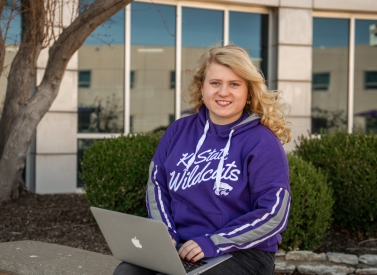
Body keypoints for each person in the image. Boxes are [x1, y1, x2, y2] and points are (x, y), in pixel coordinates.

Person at [113, 44, 291, 275]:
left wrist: (213, 243)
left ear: (248, 90)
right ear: (202, 87)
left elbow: (274, 213)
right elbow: (157, 185)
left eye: (234, 84)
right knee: (126, 273)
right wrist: (164, 233)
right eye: (215, 83)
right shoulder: (179, 130)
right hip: (180, 245)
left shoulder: (262, 141)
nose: (223, 92)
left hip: (242, 252)